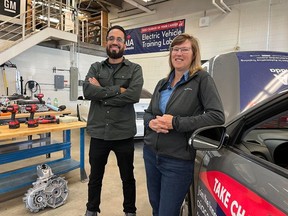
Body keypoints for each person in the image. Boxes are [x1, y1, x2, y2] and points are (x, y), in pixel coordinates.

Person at [143, 33, 225, 216]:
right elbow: (148, 113)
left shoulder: (202, 79)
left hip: (177, 160)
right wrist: (152, 123)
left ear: (193, 53)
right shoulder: (162, 84)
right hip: (151, 154)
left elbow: (217, 116)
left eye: (184, 49)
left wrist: (176, 123)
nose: (178, 53)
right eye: (175, 49)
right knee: (155, 206)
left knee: (167, 211)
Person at [83, 25, 144, 216]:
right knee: (95, 177)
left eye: (119, 39)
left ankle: (130, 211)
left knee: (127, 177)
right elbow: (87, 91)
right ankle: (92, 210)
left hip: (123, 133)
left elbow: (133, 96)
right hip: (99, 133)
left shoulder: (135, 69)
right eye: (111, 38)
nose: (115, 42)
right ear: (106, 42)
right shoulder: (96, 67)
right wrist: (119, 89)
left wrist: (101, 92)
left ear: (124, 44)